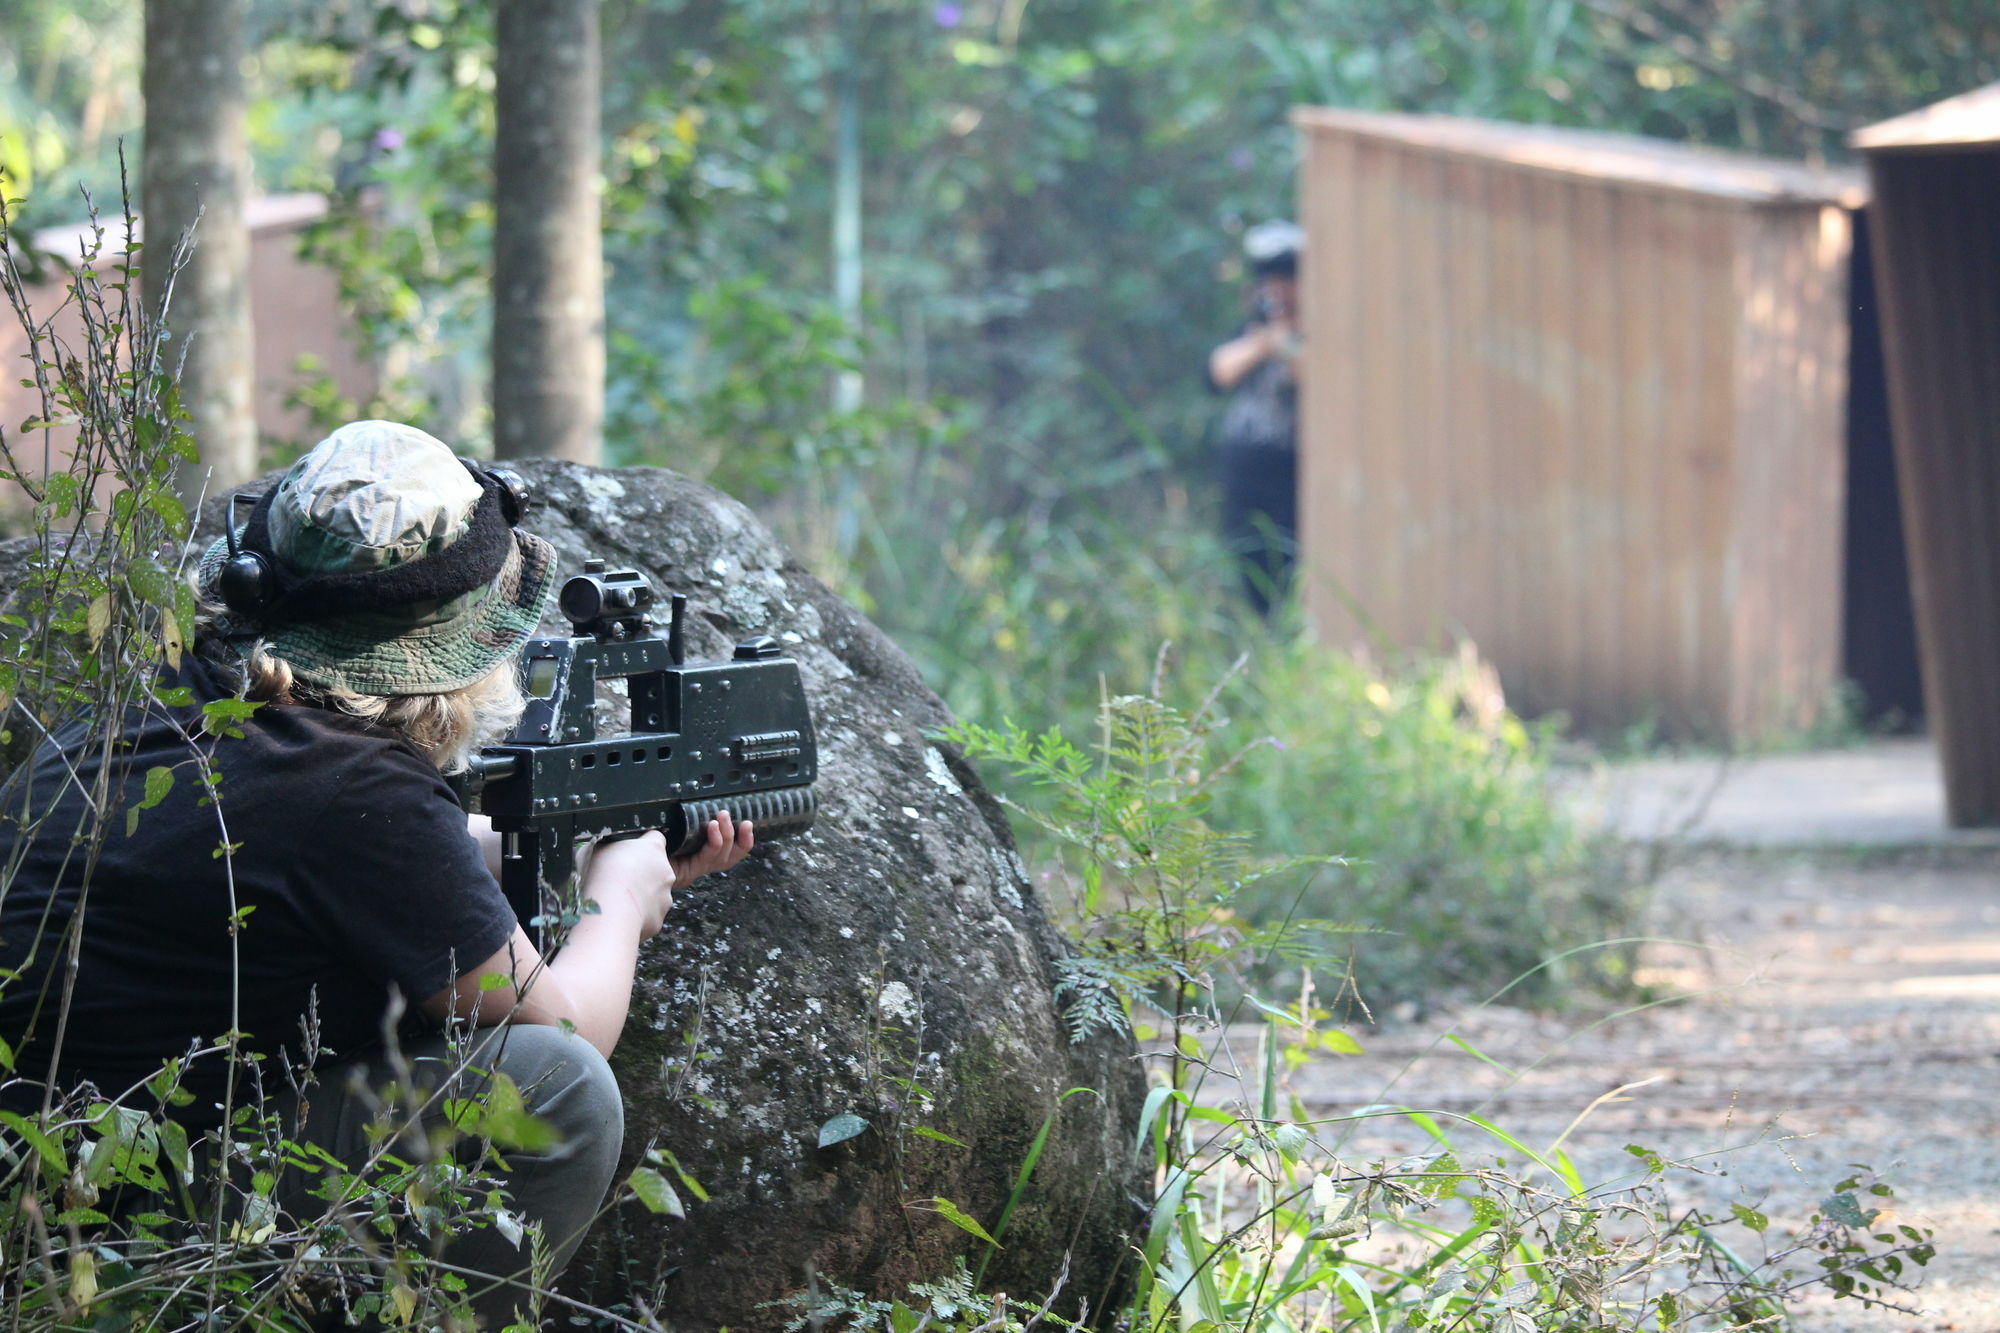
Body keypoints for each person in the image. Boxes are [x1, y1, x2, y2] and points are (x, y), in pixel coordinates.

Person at [0, 420, 753, 1326]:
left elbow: (334, 859)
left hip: (45, 1194)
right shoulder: (357, 790)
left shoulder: (172, 704)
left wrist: (530, 839)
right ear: (450, 647)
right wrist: (621, 897)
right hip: (125, 1239)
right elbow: (568, 1021)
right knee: (559, 1090)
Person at [1208, 220, 1303, 615]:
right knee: (1255, 587)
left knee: (1296, 583)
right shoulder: (1256, 328)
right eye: (1270, 279)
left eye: (1287, 278)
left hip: (1294, 483)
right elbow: (1217, 372)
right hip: (1247, 489)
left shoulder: (1320, 330)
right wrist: (1265, 342)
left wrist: (1289, 342)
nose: (1278, 289)